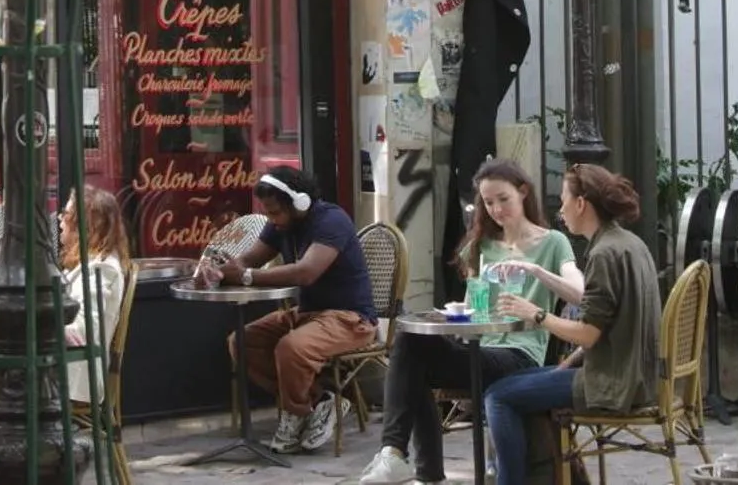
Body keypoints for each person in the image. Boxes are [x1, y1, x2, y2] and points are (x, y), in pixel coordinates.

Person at [359, 158, 583, 484]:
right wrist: (453, 315)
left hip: (520, 356)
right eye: (488, 202)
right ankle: (395, 455)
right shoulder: (482, 245)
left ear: (523, 192)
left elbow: (579, 292)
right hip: (480, 348)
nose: (496, 210)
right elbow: (471, 308)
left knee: (414, 363)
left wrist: (535, 270)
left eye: (503, 199)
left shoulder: (552, 242)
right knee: (410, 344)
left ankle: (424, 472)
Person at [484, 165, 662, 485]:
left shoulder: (604, 254)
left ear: (581, 204)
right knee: (514, 382)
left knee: (498, 396)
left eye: (564, 199)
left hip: (613, 383)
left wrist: (537, 314)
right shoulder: (629, 242)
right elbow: (611, 328)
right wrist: (567, 364)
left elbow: (589, 335)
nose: (560, 209)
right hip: (635, 375)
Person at [200, 165, 376, 454]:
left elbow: (306, 272)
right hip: (307, 314)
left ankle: (294, 414)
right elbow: (250, 260)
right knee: (241, 342)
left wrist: (246, 277)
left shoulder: (332, 221)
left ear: (299, 203)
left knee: (291, 348)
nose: (271, 219)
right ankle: (319, 401)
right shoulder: (280, 224)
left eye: (274, 212)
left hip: (349, 318)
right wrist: (221, 271)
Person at [60, 184, 130, 404]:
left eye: (66, 215)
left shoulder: (102, 268)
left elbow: (85, 328)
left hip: (75, 379)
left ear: (88, 225)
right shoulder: (87, 263)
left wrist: (45, 327)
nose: (60, 220)